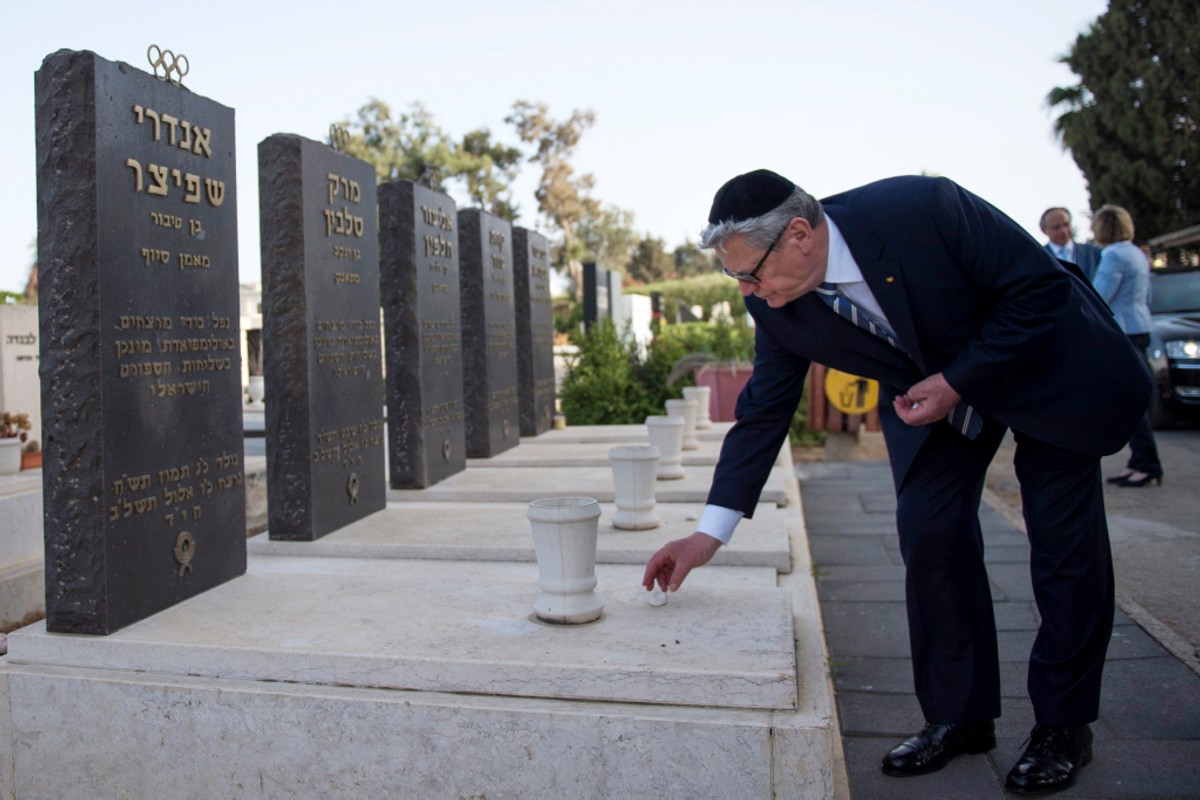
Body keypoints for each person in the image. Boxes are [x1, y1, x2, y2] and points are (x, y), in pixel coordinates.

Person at [642, 170, 1151, 795]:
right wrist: (707, 535)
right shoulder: (772, 302)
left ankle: (1064, 725)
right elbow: (764, 411)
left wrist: (959, 380)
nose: (746, 289)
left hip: (1046, 367)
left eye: (751, 273)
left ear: (799, 234)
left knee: (1061, 546)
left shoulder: (923, 208)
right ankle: (959, 716)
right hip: (933, 401)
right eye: (735, 276)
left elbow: (1039, 292)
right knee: (929, 531)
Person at [1091, 204, 1162, 487]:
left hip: (1123, 332)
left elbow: (1098, 297)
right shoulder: (1135, 253)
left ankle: (1147, 462)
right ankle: (1139, 460)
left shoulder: (1113, 256)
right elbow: (1147, 293)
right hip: (1140, 325)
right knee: (1135, 398)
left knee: (1129, 402)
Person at [1040, 207, 1102, 281]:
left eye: (1066, 225)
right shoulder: (1041, 258)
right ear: (1044, 230)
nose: (1063, 230)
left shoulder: (1092, 252)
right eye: (1056, 227)